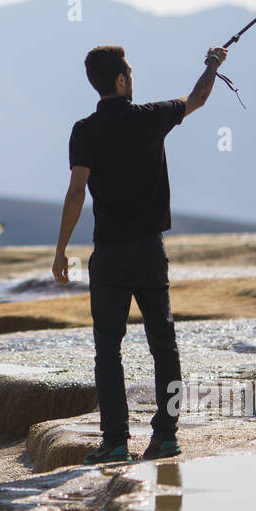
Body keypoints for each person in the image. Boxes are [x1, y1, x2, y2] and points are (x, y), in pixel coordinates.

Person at [52, 43, 228, 464]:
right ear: (120, 80)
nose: (133, 78)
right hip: (150, 251)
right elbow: (198, 98)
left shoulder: (84, 130)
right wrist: (212, 65)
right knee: (163, 345)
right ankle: (166, 436)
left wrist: (60, 250)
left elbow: (77, 191)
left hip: (109, 255)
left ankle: (115, 442)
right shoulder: (152, 117)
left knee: (108, 349)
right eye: (129, 72)